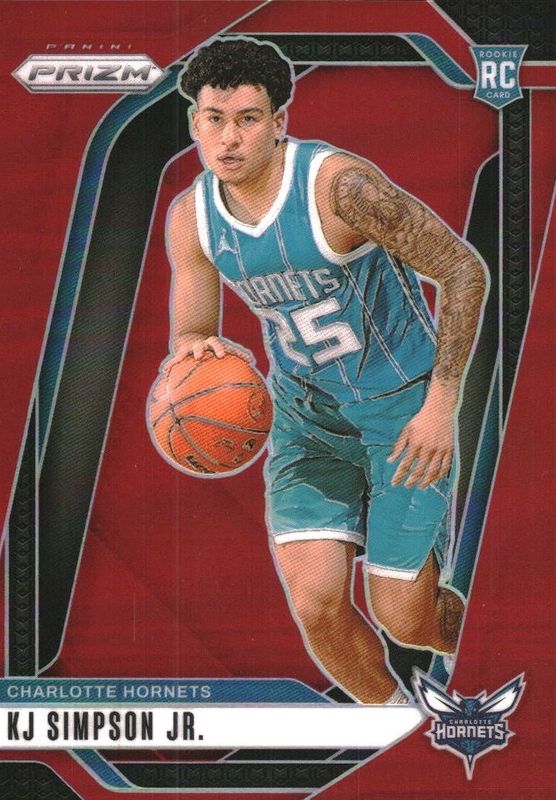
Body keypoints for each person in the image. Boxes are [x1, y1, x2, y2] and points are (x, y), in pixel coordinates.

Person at [163, 36, 487, 704]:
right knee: (316, 608)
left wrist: (441, 403)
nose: (229, 138)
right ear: (194, 122)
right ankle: (398, 729)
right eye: (214, 119)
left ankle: (514, 636)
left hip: (402, 411)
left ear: (278, 122)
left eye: (248, 118)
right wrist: (199, 360)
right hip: (307, 418)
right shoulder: (191, 217)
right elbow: (192, 334)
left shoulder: (339, 188)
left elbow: (463, 270)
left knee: (407, 618)